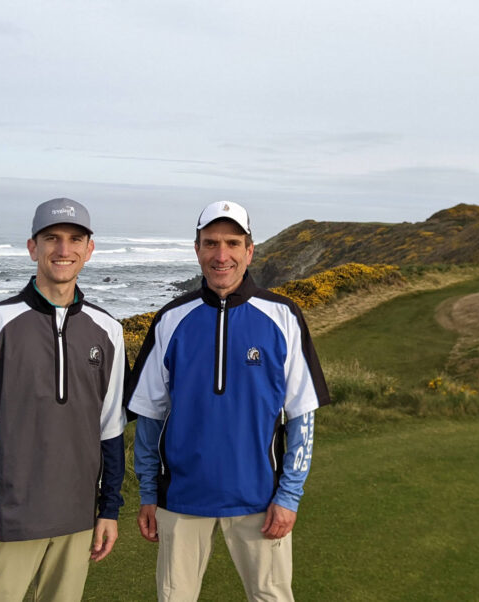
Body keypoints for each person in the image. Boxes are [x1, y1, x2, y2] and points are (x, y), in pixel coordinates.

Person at [0, 198, 127, 601]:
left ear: (89, 249)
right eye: (52, 238)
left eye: (74, 239)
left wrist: (110, 509)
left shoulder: (109, 331)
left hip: (77, 519)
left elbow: (110, 430)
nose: (63, 250)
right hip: (7, 521)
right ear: (33, 247)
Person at [127, 201, 330, 601]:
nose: (222, 255)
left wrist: (289, 495)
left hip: (259, 497)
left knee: (271, 596)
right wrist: (149, 493)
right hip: (181, 499)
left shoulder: (283, 316)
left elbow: (301, 417)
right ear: (198, 249)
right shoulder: (171, 318)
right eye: (211, 243)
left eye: (233, 243)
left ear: (249, 250)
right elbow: (150, 418)